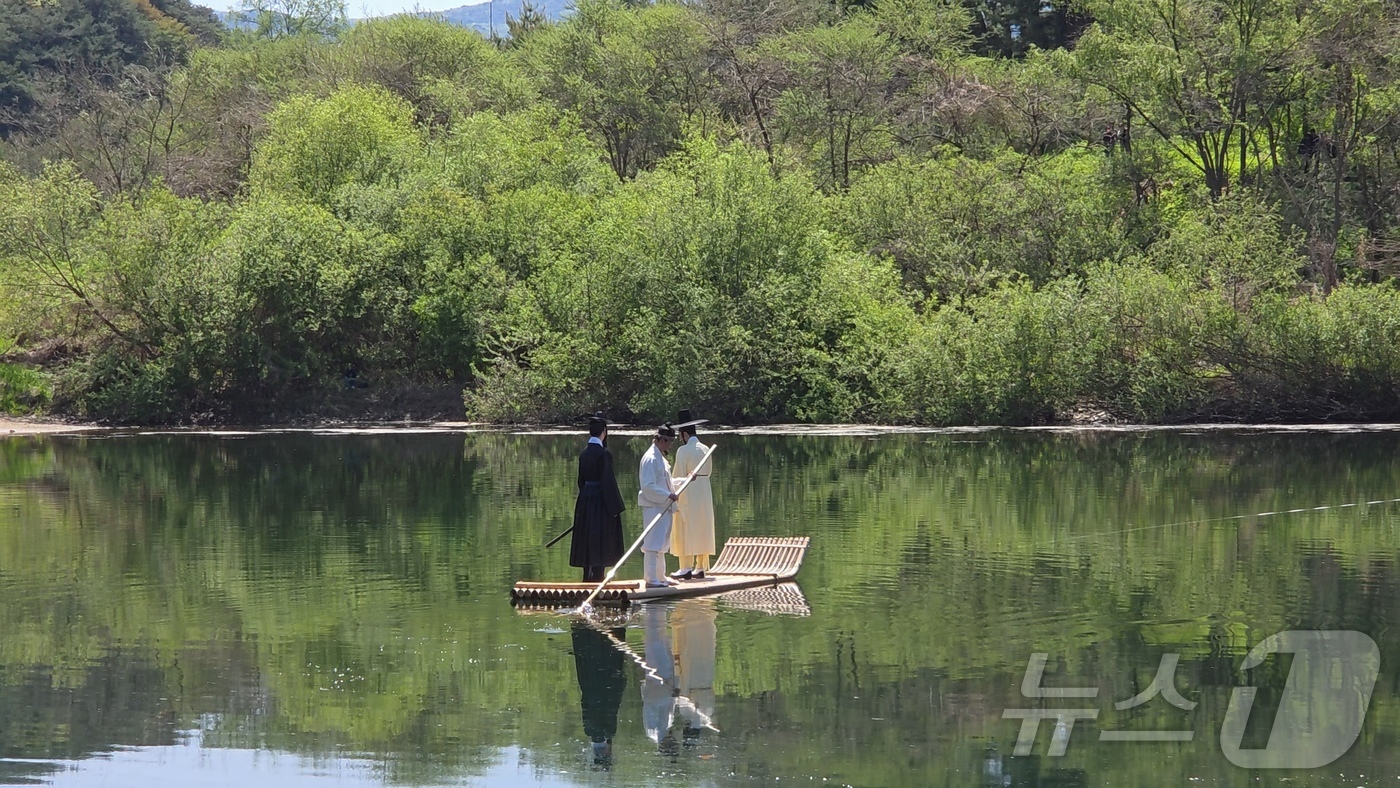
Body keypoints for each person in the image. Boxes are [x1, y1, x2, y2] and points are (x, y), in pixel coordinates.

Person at [570, 414, 626, 583]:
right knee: (600, 537)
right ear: (604, 432)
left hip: (585, 500)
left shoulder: (584, 454)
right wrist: (615, 508)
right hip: (600, 502)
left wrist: (587, 494)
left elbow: (580, 480)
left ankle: (586, 576)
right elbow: (607, 481)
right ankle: (598, 577)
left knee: (587, 536)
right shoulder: (604, 454)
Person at [571, 620, 627, 770]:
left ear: (606, 753)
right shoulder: (589, 730)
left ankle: (602, 628)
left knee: (606, 654)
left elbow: (612, 704)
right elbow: (585, 704)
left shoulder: (609, 731)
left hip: (604, 683)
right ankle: (590, 630)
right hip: (589, 685)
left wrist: (620, 684)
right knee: (590, 657)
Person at [669, 410, 715, 580]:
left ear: (685, 434)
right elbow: (708, 471)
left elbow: (677, 475)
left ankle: (685, 567)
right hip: (704, 489)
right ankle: (701, 566)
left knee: (685, 525)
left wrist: (673, 492)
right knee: (702, 525)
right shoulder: (706, 449)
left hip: (689, 488)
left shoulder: (683, 451)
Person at [638, 423, 679, 588]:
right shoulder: (651, 458)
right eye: (669, 441)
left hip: (664, 505)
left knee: (662, 543)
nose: (670, 445)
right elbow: (648, 485)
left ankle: (661, 576)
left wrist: (685, 480)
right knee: (653, 543)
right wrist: (667, 495)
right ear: (661, 440)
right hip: (654, 505)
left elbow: (666, 482)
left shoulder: (660, 458)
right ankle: (650, 578)